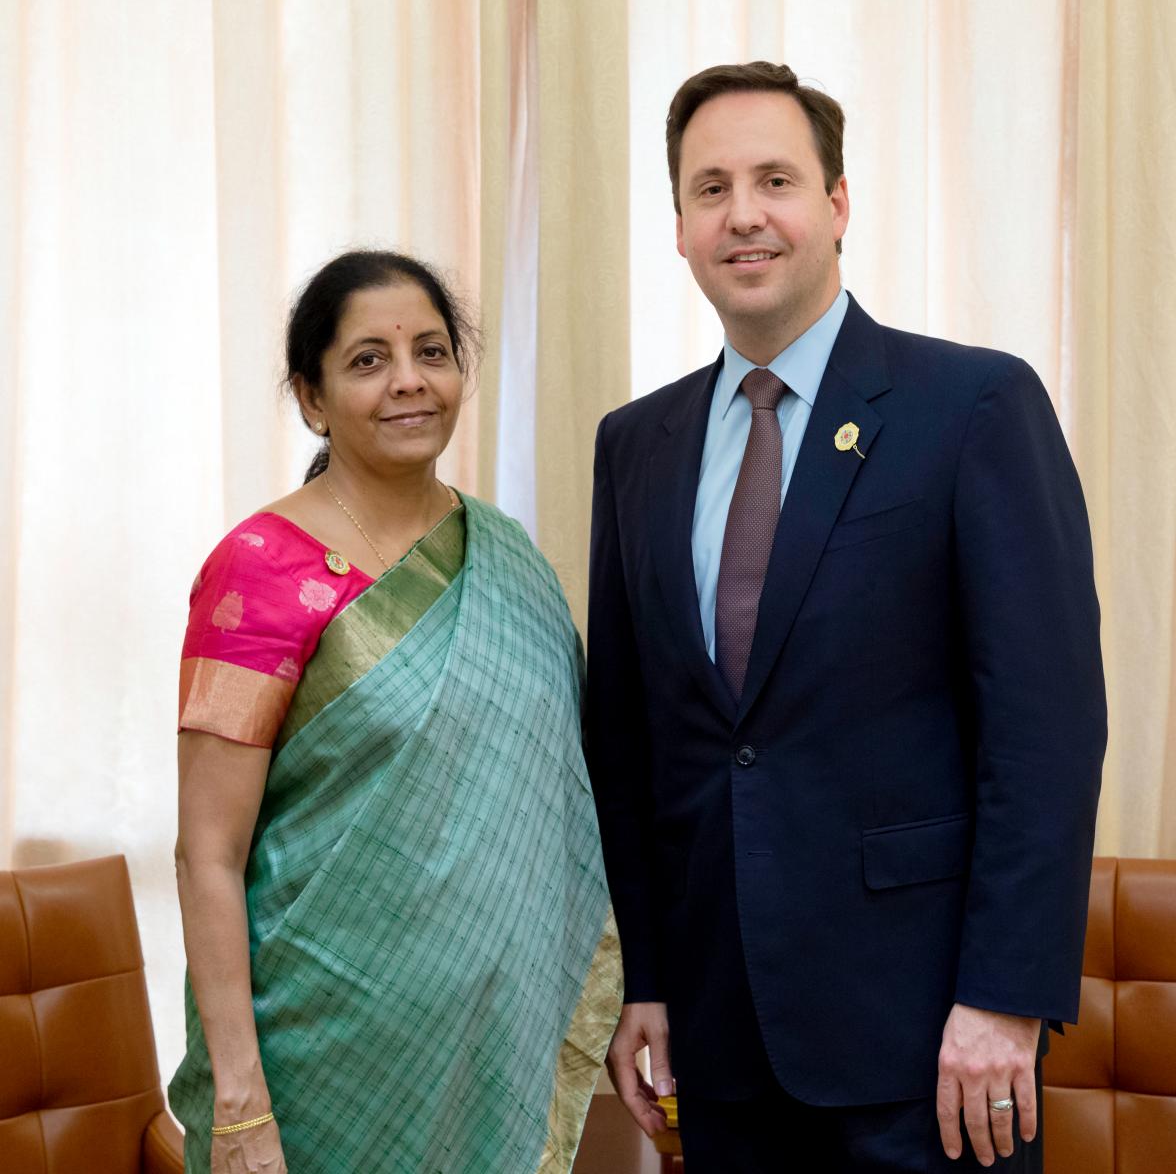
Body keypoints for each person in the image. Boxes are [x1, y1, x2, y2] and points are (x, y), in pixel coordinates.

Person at [586, 62, 1105, 1172]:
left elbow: (1046, 730)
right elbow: (631, 743)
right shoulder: (635, 447)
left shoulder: (972, 406)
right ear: (678, 225)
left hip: (932, 1046)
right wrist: (650, 981)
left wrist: (1005, 1001)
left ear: (838, 204)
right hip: (720, 1046)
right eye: (709, 187)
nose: (744, 214)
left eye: (776, 179)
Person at [171, 249, 620, 1174]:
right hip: (315, 1065)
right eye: (368, 359)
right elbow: (207, 854)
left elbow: (565, 804)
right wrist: (243, 1106)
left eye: (431, 351)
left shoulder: (504, 557)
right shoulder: (259, 567)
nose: (409, 381)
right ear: (312, 397)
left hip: (488, 1052)